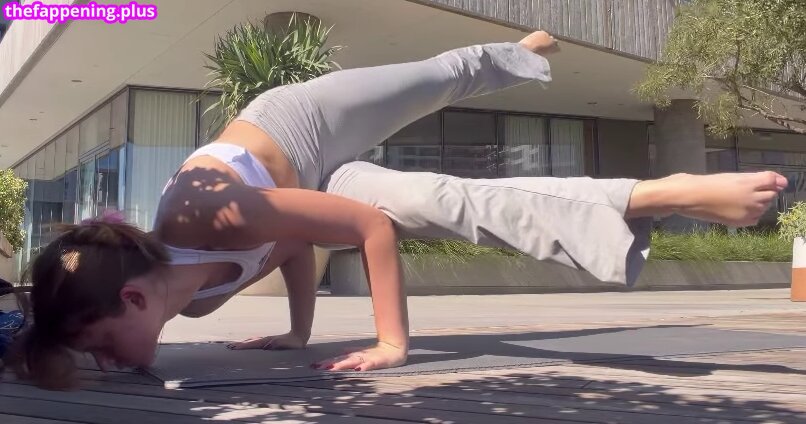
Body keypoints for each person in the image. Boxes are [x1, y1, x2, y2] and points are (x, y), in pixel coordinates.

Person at [5, 31, 787, 389]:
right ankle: (666, 194)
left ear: (133, 299)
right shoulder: (192, 303)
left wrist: (390, 342)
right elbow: (293, 243)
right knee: (445, 201)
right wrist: (299, 333)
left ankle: (519, 50)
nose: (107, 361)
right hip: (316, 184)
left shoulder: (205, 219)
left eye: (99, 344)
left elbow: (364, 229)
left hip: (300, 124)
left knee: (437, 77)